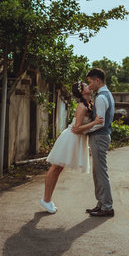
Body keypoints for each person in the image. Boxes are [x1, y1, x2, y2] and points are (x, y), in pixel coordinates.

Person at [39, 82, 104, 214]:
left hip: (76, 140)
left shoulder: (89, 103)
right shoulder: (81, 106)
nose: (89, 87)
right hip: (71, 138)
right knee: (55, 167)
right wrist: (94, 122)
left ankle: (48, 200)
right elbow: (77, 128)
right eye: (86, 86)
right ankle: (46, 200)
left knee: (58, 168)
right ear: (81, 91)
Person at [85, 68, 115, 217]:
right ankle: (101, 203)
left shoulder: (101, 97)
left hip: (99, 136)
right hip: (100, 137)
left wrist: (84, 130)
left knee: (101, 172)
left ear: (97, 81)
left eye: (90, 82)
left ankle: (107, 207)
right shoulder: (106, 95)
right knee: (98, 172)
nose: (89, 85)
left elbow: (100, 122)